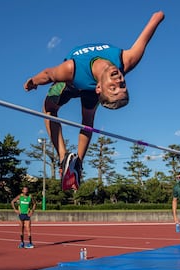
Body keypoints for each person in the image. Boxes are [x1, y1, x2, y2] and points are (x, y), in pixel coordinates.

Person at [24, 11, 165, 190]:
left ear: (100, 88)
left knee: (49, 108)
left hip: (72, 83)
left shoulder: (71, 68)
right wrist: (158, 17)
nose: (119, 82)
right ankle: (74, 163)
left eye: (113, 88)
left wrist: (32, 82)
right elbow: (149, 30)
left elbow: (49, 75)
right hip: (81, 85)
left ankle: (65, 159)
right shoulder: (126, 61)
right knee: (87, 121)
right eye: (122, 86)